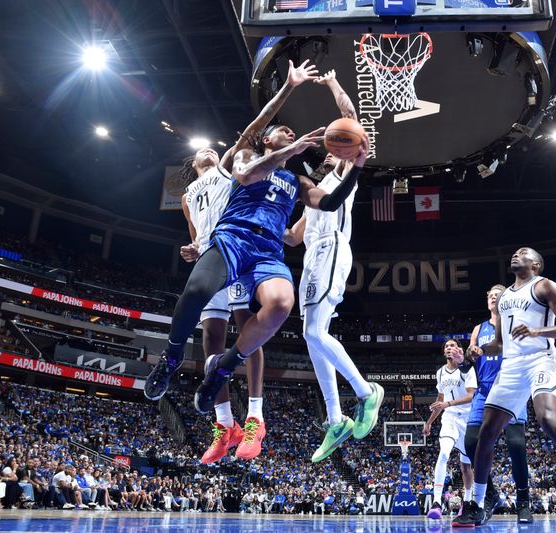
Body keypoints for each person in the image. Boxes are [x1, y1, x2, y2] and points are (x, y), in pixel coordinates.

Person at [147, 60, 320, 462]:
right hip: (216, 250)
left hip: (242, 248)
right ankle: (225, 424)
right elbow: (194, 233)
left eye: (211, 147)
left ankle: (255, 418)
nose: (207, 149)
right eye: (200, 152)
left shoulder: (231, 165)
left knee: (248, 327)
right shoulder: (189, 195)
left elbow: (259, 123)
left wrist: (289, 87)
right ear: (192, 166)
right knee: (209, 337)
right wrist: (193, 247)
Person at [453, 247, 556, 528]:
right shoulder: (504, 298)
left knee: (548, 420)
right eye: (514, 252)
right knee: (486, 433)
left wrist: (538, 331)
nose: (516, 254)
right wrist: (479, 350)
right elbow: (501, 344)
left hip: (541, 359)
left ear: (535, 264)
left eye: (523, 253)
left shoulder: (544, 286)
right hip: (511, 365)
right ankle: (477, 504)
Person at [283, 70, 383, 462]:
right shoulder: (314, 195)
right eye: (328, 149)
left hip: (332, 251)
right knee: (312, 335)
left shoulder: (343, 174)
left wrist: (334, 86)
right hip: (311, 259)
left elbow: (351, 118)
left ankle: (365, 391)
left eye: (336, 147)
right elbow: (292, 237)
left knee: (312, 331)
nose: (330, 150)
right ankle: (335, 419)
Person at [464, 284, 532, 524]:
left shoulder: (514, 322)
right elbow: (471, 357)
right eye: (490, 295)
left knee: (516, 444)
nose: (493, 297)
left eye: (498, 295)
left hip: (511, 387)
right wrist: (469, 353)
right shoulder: (478, 328)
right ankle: (491, 494)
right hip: (484, 391)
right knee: (471, 442)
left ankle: (523, 501)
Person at [423, 339, 477, 520]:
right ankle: (437, 502)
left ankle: (467, 502)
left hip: (467, 418)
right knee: (443, 454)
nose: (449, 348)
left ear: (459, 350)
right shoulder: (440, 373)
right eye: (446, 346)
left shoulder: (468, 369)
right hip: (449, 418)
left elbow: (471, 396)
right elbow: (440, 400)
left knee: (466, 465)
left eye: (452, 345)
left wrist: (447, 403)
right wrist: (429, 421)